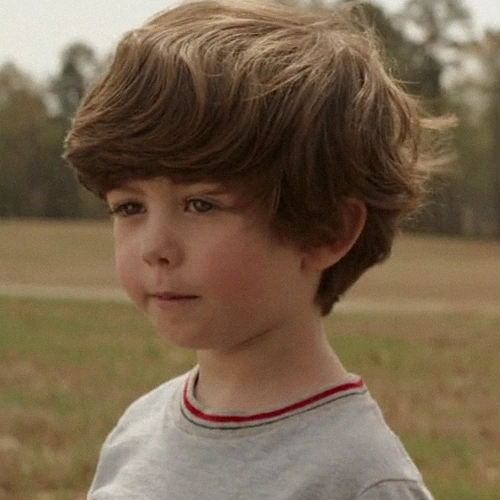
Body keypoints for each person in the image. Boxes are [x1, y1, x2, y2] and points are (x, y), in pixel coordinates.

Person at [64, 1, 447, 498]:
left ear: (327, 230)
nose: (155, 248)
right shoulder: (135, 431)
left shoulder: (360, 480)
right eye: (129, 207)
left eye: (200, 204)